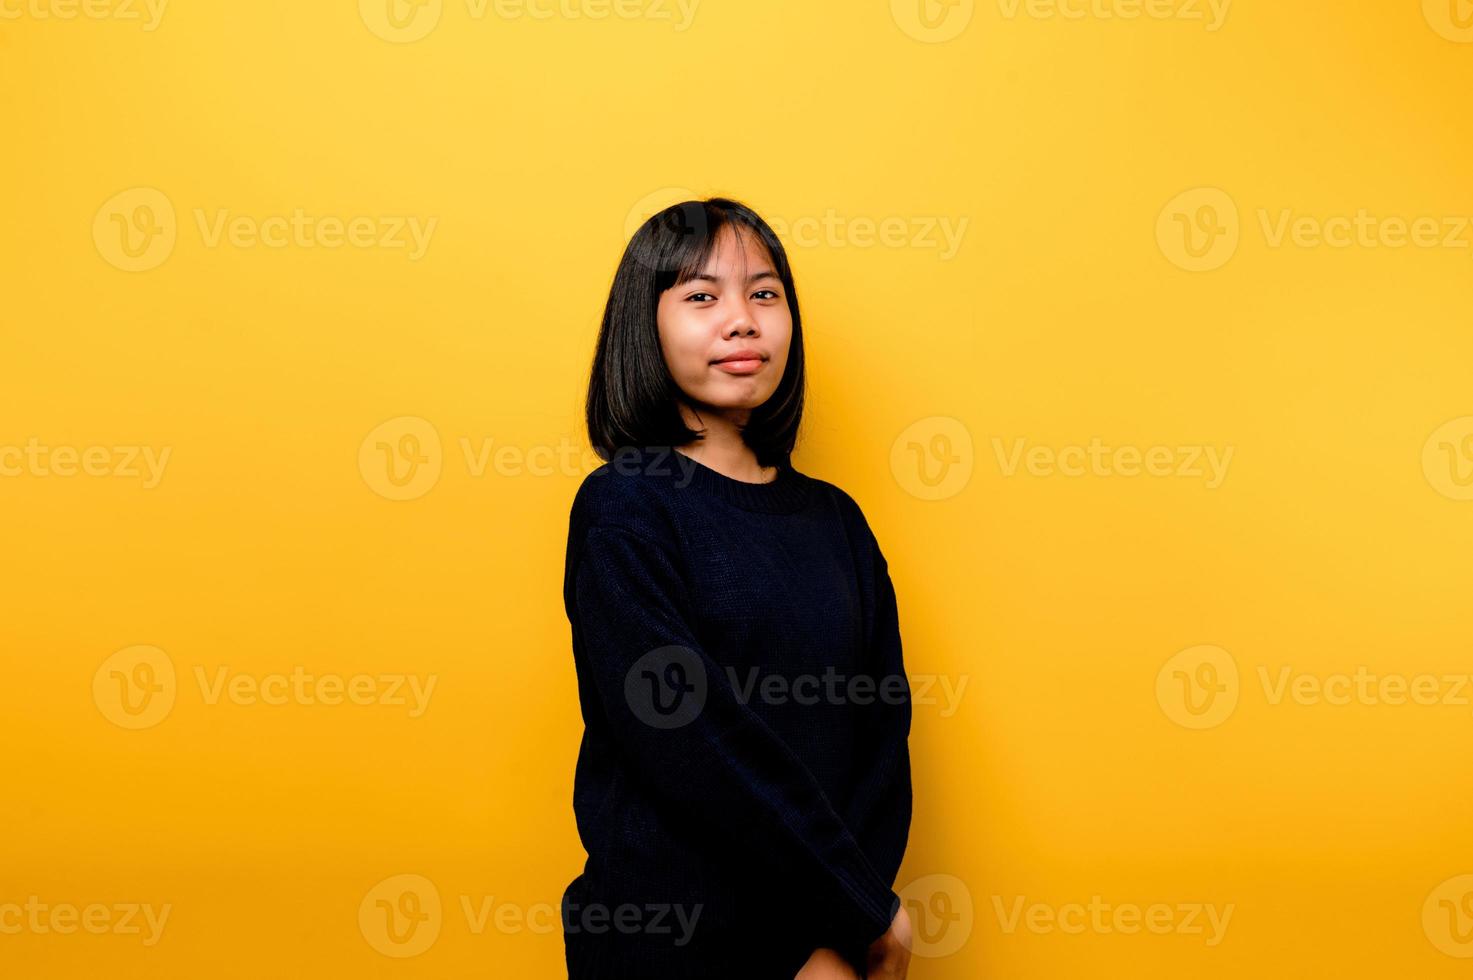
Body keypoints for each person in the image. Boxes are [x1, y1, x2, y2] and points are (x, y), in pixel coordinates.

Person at [562, 197, 913, 979]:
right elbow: (688, 739)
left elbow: (881, 738)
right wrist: (835, 923)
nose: (742, 320)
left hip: (833, 938)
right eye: (700, 296)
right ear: (643, 326)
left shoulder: (837, 522)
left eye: (763, 293)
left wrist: (855, 923)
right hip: (674, 943)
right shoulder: (625, 505)